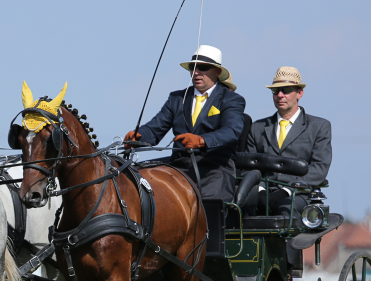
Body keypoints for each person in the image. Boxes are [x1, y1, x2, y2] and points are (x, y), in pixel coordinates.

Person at [125, 45, 246, 202]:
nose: (196, 72)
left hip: (214, 169)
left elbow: (231, 131)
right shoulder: (177, 98)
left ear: (217, 72)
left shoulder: (231, 100)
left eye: (202, 68)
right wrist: (139, 136)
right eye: (193, 67)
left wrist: (202, 141)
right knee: (134, 181)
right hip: (179, 168)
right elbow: (155, 129)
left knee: (208, 207)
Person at [246, 66, 332, 218]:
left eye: (285, 90)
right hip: (262, 193)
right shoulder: (257, 128)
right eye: (275, 91)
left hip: (299, 195)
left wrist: (286, 191)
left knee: (286, 211)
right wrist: (260, 191)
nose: (280, 95)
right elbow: (249, 166)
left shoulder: (319, 127)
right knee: (236, 211)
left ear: (299, 93)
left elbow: (319, 168)